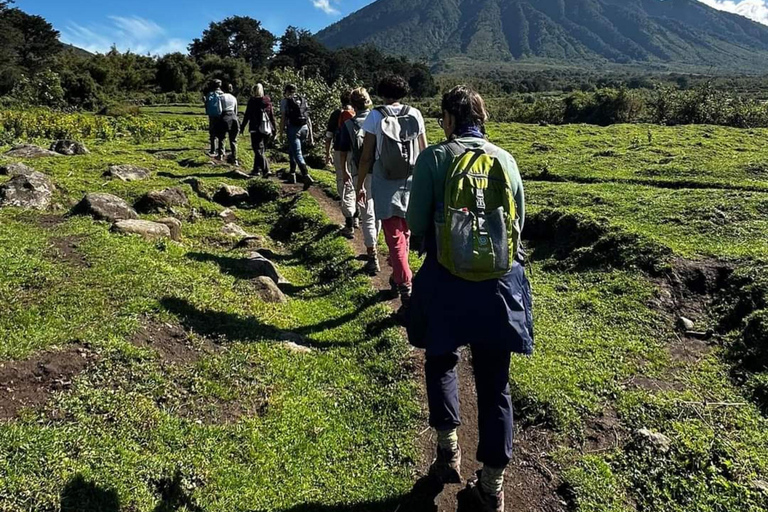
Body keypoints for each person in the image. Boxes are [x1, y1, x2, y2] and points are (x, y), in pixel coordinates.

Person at [406, 86, 534, 512]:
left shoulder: (435, 158)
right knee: (495, 384)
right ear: (482, 117)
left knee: (441, 360)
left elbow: (416, 222)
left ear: (447, 118)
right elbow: (519, 224)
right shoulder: (507, 160)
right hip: (500, 284)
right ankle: (493, 486)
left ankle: (448, 452)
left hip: (447, 280)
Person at [355, 75, 427, 317]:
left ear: (381, 92)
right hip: (412, 180)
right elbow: (424, 151)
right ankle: (399, 276)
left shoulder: (376, 116)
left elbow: (366, 156)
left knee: (393, 234)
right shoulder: (415, 114)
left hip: (385, 181)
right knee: (404, 230)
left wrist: (360, 184)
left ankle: (405, 285)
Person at [337, 87, 380, 274]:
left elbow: (343, 151)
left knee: (366, 213)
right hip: (382, 172)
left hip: (360, 172)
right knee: (377, 212)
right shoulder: (380, 119)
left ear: (353, 104)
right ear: (368, 101)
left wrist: (345, 170)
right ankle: (374, 244)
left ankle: (372, 255)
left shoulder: (349, 124)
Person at [324, 89, 356, 238]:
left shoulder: (337, 114)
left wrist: (327, 154)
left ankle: (349, 221)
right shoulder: (359, 114)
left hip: (340, 152)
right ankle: (355, 216)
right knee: (357, 183)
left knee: (343, 183)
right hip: (358, 154)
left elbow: (329, 135)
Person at [280, 84, 315, 190]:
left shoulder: (285, 101)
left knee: (297, 153)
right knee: (292, 150)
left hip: (293, 128)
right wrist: (311, 134)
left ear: (286, 91)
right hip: (304, 128)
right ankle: (292, 173)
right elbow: (308, 118)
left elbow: (283, 118)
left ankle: (305, 175)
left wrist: (280, 132)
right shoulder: (302, 100)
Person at [241, 83, 277, 177]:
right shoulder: (267, 101)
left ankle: (266, 170)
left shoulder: (252, 101)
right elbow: (271, 115)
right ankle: (256, 170)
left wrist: (242, 126)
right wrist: (274, 128)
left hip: (255, 128)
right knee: (261, 150)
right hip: (266, 128)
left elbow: (247, 115)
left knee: (257, 149)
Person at [216, 83, 240, 165]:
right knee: (233, 140)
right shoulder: (234, 98)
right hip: (233, 117)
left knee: (222, 137)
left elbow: (219, 110)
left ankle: (221, 155)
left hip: (224, 116)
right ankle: (235, 158)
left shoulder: (221, 97)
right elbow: (236, 110)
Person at [204, 80, 224, 156]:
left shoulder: (210, 94)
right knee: (221, 134)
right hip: (220, 115)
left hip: (212, 115)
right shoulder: (222, 94)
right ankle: (222, 151)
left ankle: (213, 150)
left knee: (212, 133)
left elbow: (206, 105)